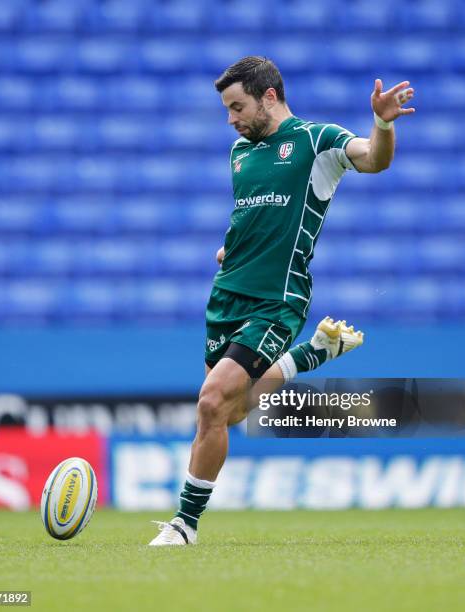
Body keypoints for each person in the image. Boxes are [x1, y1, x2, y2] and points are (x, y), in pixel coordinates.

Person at [149, 56, 415, 545]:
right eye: (227, 109)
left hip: (277, 298)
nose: (230, 119)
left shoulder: (318, 141)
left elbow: (375, 159)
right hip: (227, 293)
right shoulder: (239, 152)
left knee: (209, 402)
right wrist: (233, 246)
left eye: (237, 106)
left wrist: (381, 122)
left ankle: (183, 526)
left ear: (268, 95)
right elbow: (253, 214)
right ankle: (310, 356)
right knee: (227, 411)